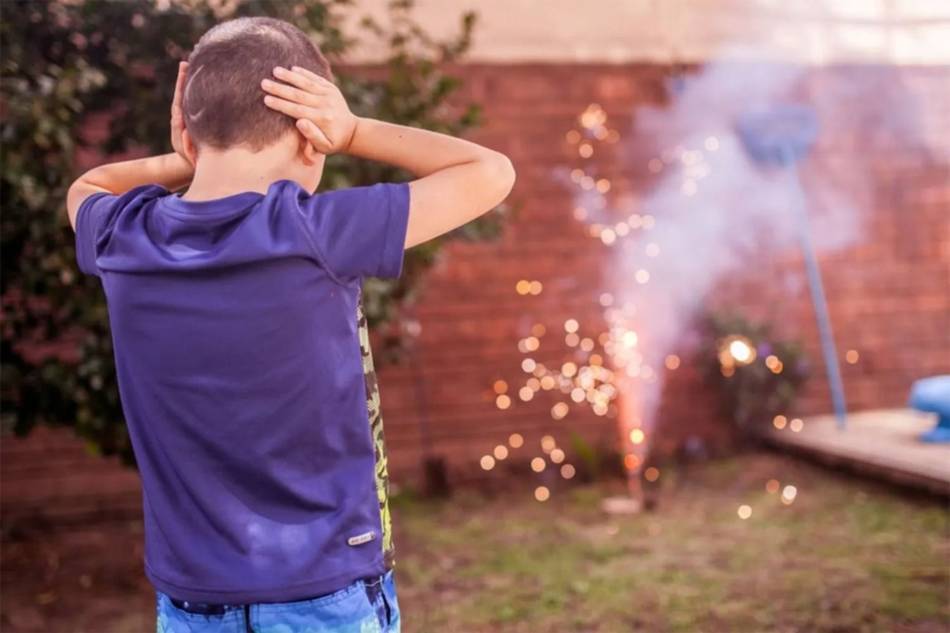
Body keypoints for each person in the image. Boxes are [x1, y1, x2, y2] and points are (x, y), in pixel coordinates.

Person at [65, 16, 515, 633]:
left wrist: (182, 159)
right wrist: (354, 129)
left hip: (193, 602)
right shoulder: (314, 233)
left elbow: (90, 183)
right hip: (325, 592)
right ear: (312, 137)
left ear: (191, 132)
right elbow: (491, 172)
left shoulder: (124, 236)